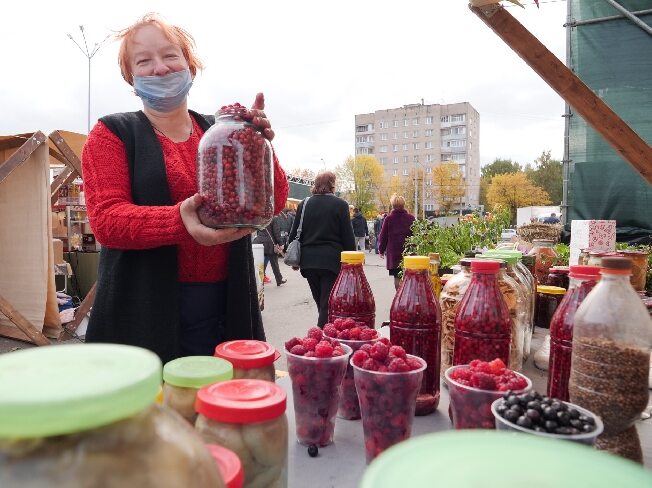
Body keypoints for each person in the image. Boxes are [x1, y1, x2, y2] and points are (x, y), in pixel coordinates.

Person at [80, 13, 289, 362]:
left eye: (170, 55)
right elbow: (106, 220)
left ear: (189, 66)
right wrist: (181, 220)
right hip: (144, 308)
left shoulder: (221, 131)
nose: (160, 68)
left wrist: (259, 145)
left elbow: (273, 200)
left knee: (221, 407)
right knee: (156, 410)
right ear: (131, 78)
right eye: (143, 61)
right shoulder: (112, 134)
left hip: (226, 302)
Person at [287, 171, 356, 327]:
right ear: (332, 184)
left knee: (322, 303)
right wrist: (353, 263)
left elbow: (294, 233)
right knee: (326, 304)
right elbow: (347, 237)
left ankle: (326, 333)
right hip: (331, 262)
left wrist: (293, 259)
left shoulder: (304, 204)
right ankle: (321, 339)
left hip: (308, 262)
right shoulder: (340, 205)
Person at [378, 194, 416, 290]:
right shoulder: (411, 218)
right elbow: (416, 235)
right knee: (408, 275)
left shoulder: (389, 219)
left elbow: (383, 236)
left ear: (393, 205)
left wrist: (381, 250)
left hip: (394, 253)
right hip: (408, 251)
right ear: (404, 205)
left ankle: (399, 297)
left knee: (397, 277)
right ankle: (407, 296)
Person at [253, 220, 287, 286]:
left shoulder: (260, 218)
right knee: (274, 264)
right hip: (270, 244)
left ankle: (259, 281)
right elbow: (276, 233)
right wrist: (281, 243)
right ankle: (279, 280)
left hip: (259, 242)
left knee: (260, 263)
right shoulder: (273, 219)